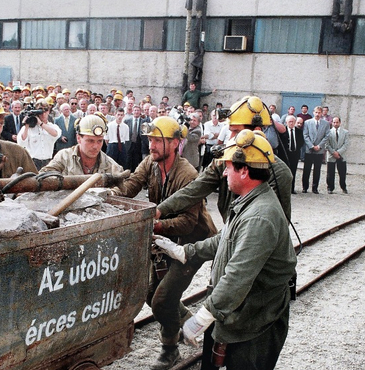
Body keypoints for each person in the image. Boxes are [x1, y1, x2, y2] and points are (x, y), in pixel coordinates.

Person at [153, 129, 296, 370]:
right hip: (241, 314)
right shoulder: (250, 202)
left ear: (244, 170)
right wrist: (186, 252)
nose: (225, 172)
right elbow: (225, 240)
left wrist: (202, 317)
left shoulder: (259, 217)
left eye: (229, 166)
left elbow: (238, 276)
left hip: (255, 323)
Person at [111, 116, 217, 370]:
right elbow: (131, 185)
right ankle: (187, 322)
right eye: (150, 140)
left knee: (161, 301)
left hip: (191, 245)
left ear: (175, 144)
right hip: (165, 241)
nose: (152, 146)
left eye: (158, 141)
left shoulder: (187, 174)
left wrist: (154, 224)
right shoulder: (150, 163)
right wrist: (110, 195)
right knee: (150, 294)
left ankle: (170, 348)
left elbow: (188, 224)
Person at [156, 95, 292, 226]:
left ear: (256, 131)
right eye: (230, 131)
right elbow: (195, 189)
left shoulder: (279, 173)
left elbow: (273, 224)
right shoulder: (224, 160)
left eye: (236, 132)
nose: (231, 138)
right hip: (233, 231)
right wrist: (160, 210)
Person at [40, 114, 124, 175]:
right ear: (78, 138)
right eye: (90, 141)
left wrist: (114, 191)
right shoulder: (64, 157)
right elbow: (44, 176)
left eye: (99, 141)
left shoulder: (110, 165)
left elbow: (123, 188)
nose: (95, 146)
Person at [17, 99, 60, 170]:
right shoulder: (29, 128)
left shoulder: (52, 126)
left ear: (48, 111)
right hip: (33, 161)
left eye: (45, 111)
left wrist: (41, 123)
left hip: (48, 161)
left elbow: (55, 134)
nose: (43, 114)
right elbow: (21, 142)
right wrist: (26, 125)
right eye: (40, 111)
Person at [302, 106, 330, 193]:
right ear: (313, 112)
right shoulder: (307, 122)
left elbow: (327, 136)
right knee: (307, 169)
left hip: (319, 150)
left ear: (322, 113)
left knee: (317, 169)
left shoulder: (326, 124)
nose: (317, 114)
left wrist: (319, 146)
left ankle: (315, 187)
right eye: (316, 112)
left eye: (319, 113)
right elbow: (305, 135)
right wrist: (311, 146)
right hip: (309, 149)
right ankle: (305, 187)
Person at [326, 117, 349, 194]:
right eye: (334, 122)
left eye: (337, 122)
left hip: (341, 155)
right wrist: (333, 152)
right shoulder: (328, 132)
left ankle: (343, 187)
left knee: (342, 173)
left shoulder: (345, 132)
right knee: (330, 173)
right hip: (331, 155)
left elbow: (346, 144)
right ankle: (330, 188)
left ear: (340, 123)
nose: (335, 124)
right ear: (332, 123)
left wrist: (338, 152)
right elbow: (327, 144)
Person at [284, 115, 304, 194]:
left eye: (293, 122)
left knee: (293, 171)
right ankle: (285, 188)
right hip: (286, 155)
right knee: (285, 172)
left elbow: (301, 142)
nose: (291, 123)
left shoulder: (299, 131)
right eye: (290, 122)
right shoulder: (283, 131)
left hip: (295, 154)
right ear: (286, 122)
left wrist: (296, 148)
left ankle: (292, 188)